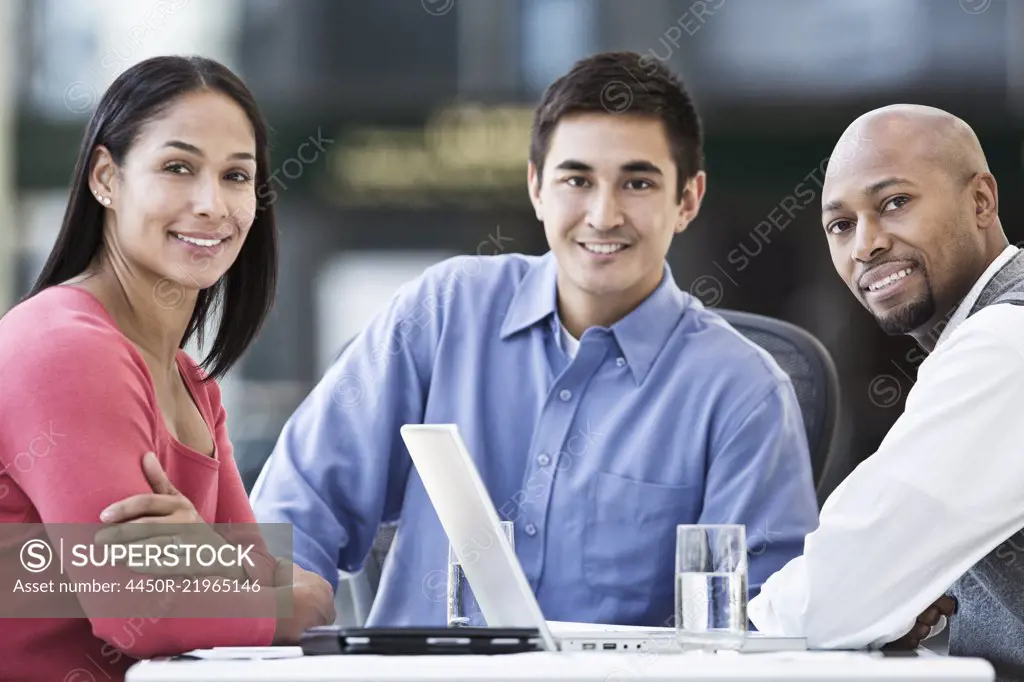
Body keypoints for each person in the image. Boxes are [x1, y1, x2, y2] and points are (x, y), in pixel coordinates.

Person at [251, 51, 820, 627]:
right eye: (577, 179)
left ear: (688, 200)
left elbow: (760, 623)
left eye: (638, 182)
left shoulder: (743, 392)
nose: (603, 214)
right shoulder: (444, 311)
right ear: (536, 188)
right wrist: (275, 612)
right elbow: (296, 510)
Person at [0, 56, 334, 682]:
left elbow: (250, 584)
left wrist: (211, 561)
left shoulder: (192, 380)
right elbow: (141, 612)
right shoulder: (65, 350)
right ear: (106, 178)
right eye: (178, 167)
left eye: (237, 176)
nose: (211, 204)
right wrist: (254, 582)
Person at [748, 104, 1024, 680]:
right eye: (840, 225)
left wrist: (736, 627)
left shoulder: (1004, 343)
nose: (865, 245)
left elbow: (826, 602)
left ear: (981, 201)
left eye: (894, 203)